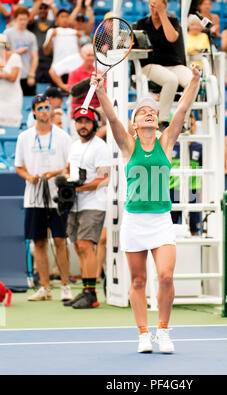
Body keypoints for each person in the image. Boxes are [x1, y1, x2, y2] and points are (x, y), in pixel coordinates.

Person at [92, 62, 202, 353]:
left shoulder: (166, 142)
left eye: (152, 110)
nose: (149, 112)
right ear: (135, 123)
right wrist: (102, 90)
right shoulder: (129, 145)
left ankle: (163, 331)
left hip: (161, 220)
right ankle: (143, 333)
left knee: (165, 276)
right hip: (135, 222)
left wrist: (195, 80)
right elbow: (113, 121)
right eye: (143, 111)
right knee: (138, 280)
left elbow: (181, 112)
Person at [14, 93, 73, 302]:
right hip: (34, 198)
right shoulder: (24, 137)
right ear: (33, 112)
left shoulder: (63, 137)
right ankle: (45, 288)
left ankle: (66, 286)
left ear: (51, 109)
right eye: (39, 108)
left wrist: (54, 174)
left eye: (47, 107)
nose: (44, 111)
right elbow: (18, 166)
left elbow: (69, 166)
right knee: (38, 242)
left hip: (57, 197)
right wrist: (29, 177)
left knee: (60, 240)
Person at [63, 106, 111, 309]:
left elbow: (105, 179)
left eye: (87, 121)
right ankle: (85, 290)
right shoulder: (74, 146)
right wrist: (66, 182)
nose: (83, 125)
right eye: (80, 122)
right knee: (77, 246)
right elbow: (68, 169)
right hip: (75, 203)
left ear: (94, 124)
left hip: (94, 202)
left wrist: (80, 188)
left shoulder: (100, 146)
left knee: (84, 245)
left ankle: (91, 293)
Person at [133, 0, 194, 131]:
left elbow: (172, 37)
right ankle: (163, 120)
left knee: (192, 80)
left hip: (174, 64)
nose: (153, 7)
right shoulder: (141, 24)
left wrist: (162, 14)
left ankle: (183, 120)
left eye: (157, 4)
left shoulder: (172, 21)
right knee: (171, 80)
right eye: (151, 4)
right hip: (150, 64)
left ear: (165, 5)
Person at [170, 112, 202, 235]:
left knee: (193, 229)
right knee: (170, 228)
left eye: (192, 124)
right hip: (172, 191)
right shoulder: (171, 146)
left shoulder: (199, 148)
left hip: (192, 192)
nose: (190, 127)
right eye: (187, 125)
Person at [4, 6, 38, 96]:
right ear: (15, 19)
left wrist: (31, 74)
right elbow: (2, 54)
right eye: (20, 19)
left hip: (26, 76)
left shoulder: (31, 36)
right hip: (11, 75)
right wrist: (17, 52)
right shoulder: (7, 33)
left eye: (25, 19)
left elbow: (35, 57)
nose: (23, 22)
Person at [43, 8, 80, 86]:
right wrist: (51, 37)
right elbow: (46, 52)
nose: (65, 19)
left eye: (66, 17)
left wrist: (79, 38)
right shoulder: (52, 31)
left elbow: (80, 51)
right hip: (58, 68)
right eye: (62, 17)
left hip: (74, 69)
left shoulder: (75, 33)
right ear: (57, 19)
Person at [28, 0, 56, 84]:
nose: (43, 10)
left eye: (45, 8)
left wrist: (52, 5)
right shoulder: (34, 23)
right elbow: (29, 19)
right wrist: (38, 3)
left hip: (50, 60)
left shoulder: (52, 23)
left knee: (51, 87)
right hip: (35, 60)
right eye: (40, 8)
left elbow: (60, 19)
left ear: (48, 9)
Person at [0, 33, 23, 127]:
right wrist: (4, 75)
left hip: (13, 98)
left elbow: (13, 77)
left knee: (13, 124)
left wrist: (3, 75)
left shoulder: (15, 57)